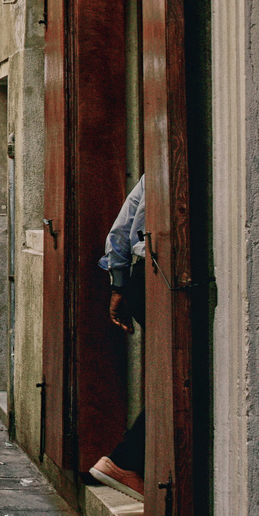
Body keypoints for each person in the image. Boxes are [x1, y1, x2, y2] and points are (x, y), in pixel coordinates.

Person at [89, 176, 146, 492]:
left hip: (139, 276)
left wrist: (119, 285)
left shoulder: (146, 175)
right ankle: (125, 462)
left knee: (171, 380)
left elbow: (120, 231)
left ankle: (128, 462)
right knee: (180, 379)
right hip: (155, 273)